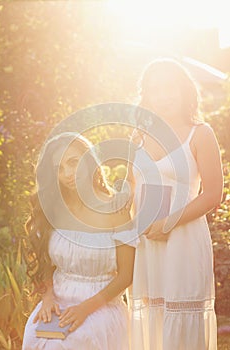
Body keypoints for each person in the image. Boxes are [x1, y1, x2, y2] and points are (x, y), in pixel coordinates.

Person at [128, 58, 223, 350]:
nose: (164, 96)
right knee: (151, 320)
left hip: (183, 242)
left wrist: (168, 222)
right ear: (148, 95)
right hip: (147, 245)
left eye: (170, 88)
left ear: (184, 91)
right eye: (156, 89)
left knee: (180, 323)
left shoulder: (201, 134)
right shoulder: (138, 136)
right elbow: (132, 189)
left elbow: (213, 194)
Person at [22, 131, 135, 350]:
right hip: (56, 304)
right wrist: (47, 298)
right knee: (34, 338)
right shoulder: (52, 210)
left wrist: (85, 309)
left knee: (73, 343)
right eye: (59, 168)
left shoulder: (116, 208)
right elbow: (45, 264)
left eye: (73, 162)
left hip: (101, 305)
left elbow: (126, 275)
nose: (67, 174)